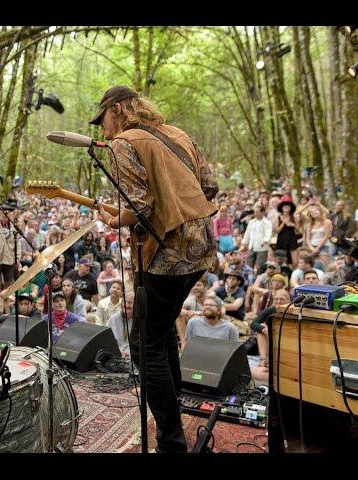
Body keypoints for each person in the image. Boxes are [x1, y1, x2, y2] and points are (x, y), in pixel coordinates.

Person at [90, 85, 218, 453]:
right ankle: (174, 419)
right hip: (200, 247)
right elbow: (209, 187)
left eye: (104, 120)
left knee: (144, 345)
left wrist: (115, 219)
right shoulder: (178, 134)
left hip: (167, 253)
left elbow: (139, 206)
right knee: (160, 335)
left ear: (117, 110)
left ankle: (170, 441)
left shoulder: (124, 142)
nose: (104, 131)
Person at [241, 205, 272, 270]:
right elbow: (247, 233)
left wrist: (265, 240)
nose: (255, 213)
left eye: (257, 212)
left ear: (263, 212)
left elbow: (268, 233)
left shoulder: (267, 223)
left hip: (262, 248)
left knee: (259, 267)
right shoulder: (251, 222)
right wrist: (244, 242)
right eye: (255, 212)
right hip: (251, 247)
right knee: (248, 265)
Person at [107, 291, 135, 357]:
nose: (126, 305)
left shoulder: (138, 321)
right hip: (116, 355)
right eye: (125, 301)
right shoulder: (113, 318)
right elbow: (109, 341)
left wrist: (129, 352)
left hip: (133, 356)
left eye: (130, 303)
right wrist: (119, 352)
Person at [274, 195, 300, 266]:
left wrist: (292, 225)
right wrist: (283, 223)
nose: (286, 207)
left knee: (295, 262)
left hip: (292, 239)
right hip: (282, 240)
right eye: (284, 206)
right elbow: (276, 231)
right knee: (282, 261)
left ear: (290, 208)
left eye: (288, 206)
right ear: (281, 208)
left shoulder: (294, 217)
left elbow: (299, 230)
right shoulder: (278, 218)